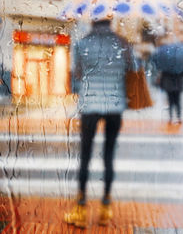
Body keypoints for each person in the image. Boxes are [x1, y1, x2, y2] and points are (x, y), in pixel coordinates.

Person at [64, 19, 135, 228]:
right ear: (111, 22)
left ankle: (81, 208)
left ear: (93, 22)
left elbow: (76, 73)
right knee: (109, 155)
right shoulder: (122, 43)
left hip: (90, 105)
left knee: (85, 156)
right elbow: (133, 69)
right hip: (115, 105)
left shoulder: (82, 43)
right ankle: (105, 208)